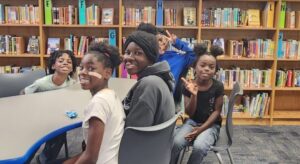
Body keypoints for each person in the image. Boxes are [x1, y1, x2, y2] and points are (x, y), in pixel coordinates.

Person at [64, 42, 124, 164]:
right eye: (81, 67)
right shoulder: (111, 95)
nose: (82, 72)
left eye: (91, 68)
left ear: (107, 73)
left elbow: (90, 158)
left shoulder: (98, 103)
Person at [170, 44, 224, 164]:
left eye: (211, 67)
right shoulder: (188, 85)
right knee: (176, 142)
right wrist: (194, 94)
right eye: (202, 65)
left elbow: (217, 111)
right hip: (192, 122)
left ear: (215, 70)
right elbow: (189, 112)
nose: (206, 69)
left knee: (199, 147)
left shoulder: (218, 86)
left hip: (211, 125)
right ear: (195, 66)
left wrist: (200, 130)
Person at [23, 50, 77, 164]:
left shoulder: (72, 83)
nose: (65, 63)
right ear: (53, 66)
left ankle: (44, 159)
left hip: (57, 117)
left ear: (72, 68)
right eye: (61, 61)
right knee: (32, 142)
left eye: (69, 62)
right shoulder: (41, 83)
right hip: (38, 117)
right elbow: (23, 94)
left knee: (59, 133)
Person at [137, 22, 196, 110]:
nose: (160, 44)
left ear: (168, 42)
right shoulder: (146, 57)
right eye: (156, 41)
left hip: (169, 101)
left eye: (162, 41)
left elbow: (194, 54)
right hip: (147, 98)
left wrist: (177, 42)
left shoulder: (177, 58)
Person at [122, 30, 175, 127]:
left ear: (150, 57)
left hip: (142, 142)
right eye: (127, 52)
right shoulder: (159, 78)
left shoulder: (149, 84)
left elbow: (135, 131)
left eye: (138, 53)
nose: (129, 57)